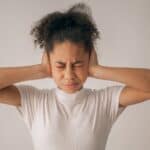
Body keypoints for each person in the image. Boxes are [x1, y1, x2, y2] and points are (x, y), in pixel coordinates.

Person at [0, 2, 150, 150]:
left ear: (90, 58)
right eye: (60, 65)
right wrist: (41, 70)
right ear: (48, 60)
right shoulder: (33, 101)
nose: (69, 75)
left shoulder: (105, 101)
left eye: (78, 64)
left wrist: (97, 70)